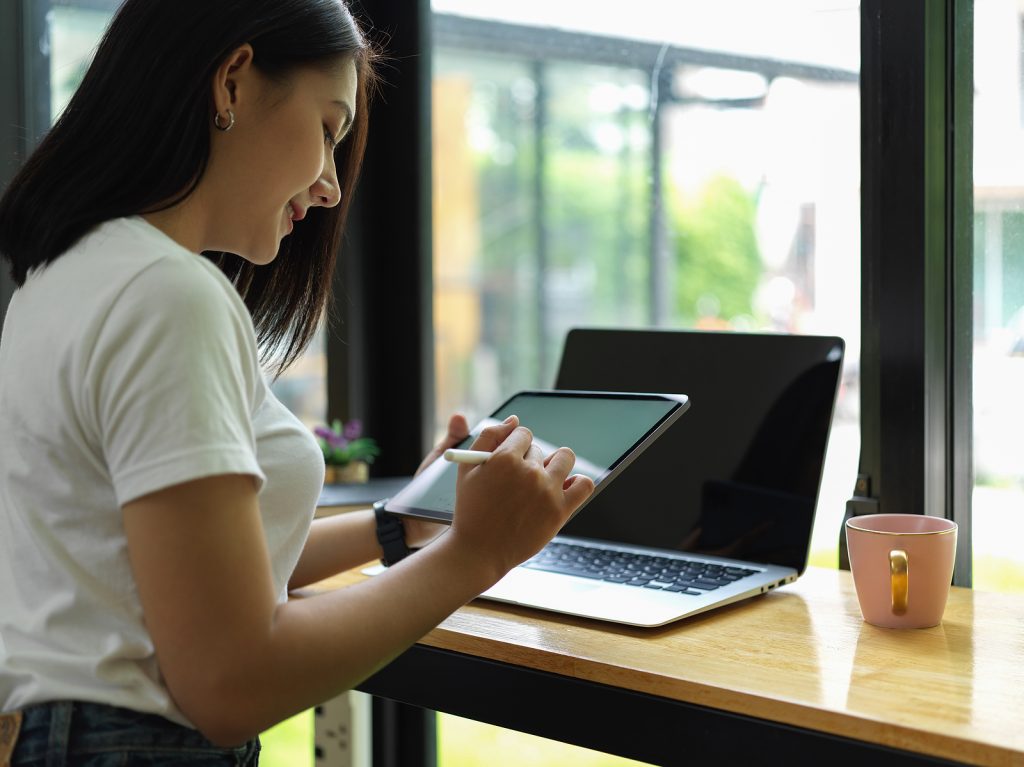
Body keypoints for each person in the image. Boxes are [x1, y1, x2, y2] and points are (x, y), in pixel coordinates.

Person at [0, 1, 594, 763]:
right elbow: (231, 681)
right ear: (234, 83)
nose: (331, 188)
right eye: (327, 129)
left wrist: (410, 522)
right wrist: (476, 554)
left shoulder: (65, 278)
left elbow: (182, 570)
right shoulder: (166, 294)